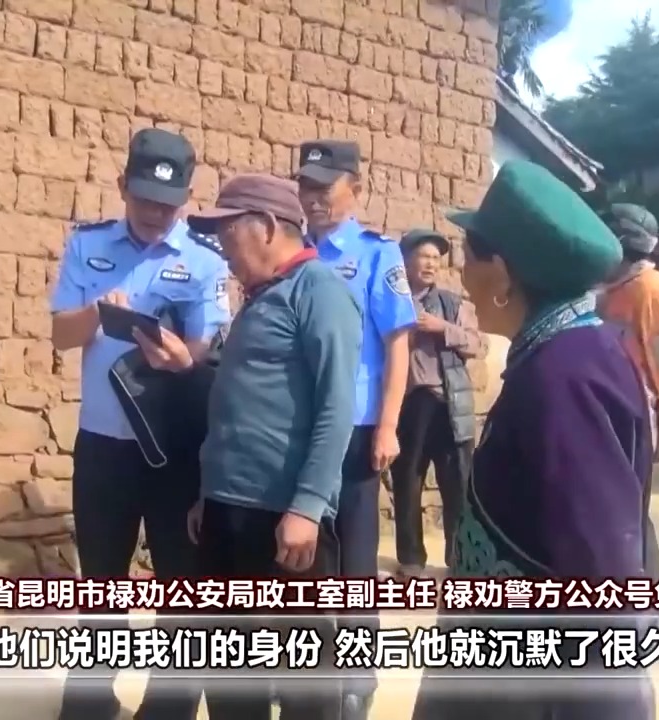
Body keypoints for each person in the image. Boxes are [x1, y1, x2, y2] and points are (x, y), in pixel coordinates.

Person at [412, 160, 655, 720]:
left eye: (469, 257)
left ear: (501, 273)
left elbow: (600, 572)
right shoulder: (572, 350)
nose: (462, 275)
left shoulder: (562, 378)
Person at [49, 128, 230, 720]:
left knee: (182, 586)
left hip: (174, 449)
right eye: (146, 199)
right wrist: (96, 315)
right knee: (100, 583)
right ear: (123, 184)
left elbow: (209, 348)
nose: (156, 214)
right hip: (104, 445)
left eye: (168, 204)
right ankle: (90, 701)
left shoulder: (205, 259)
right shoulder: (89, 244)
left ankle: (168, 707)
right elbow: (60, 334)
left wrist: (183, 358)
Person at [185, 173, 360, 720]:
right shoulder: (261, 297)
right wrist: (209, 494)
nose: (223, 250)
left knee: (304, 683)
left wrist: (307, 507)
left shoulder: (319, 291)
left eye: (228, 234)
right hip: (227, 510)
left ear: (265, 226)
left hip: (283, 519)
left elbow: (337, 407)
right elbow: (239, 405)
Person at [296, 140, 415, 718]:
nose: (313, 198)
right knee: (306, 558)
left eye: (325, 187)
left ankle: (357, 683)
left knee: (356, 563)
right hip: (300, 430)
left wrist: (388, 424)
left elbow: (398, 345)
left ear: (356, 189)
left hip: (358, 431)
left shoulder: (376, 255)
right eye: (305, 186)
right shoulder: (293, 249)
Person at [595, 203, 659, 577]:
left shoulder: (651, 290)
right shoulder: (614, 288)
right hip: (609, 412)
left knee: (630, 518)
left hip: (635, 418)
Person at [389, 228, 484, 577]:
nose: (430, 264)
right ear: (406, 261)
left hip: (449, 404)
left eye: (435, 258)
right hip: (409, 403)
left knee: (457, 483)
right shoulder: (393, 301)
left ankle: (458, 558)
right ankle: (411, 559)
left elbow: (477, 345)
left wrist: (441, 327)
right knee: (407, 481)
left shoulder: (452, 304)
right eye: (423, 256)